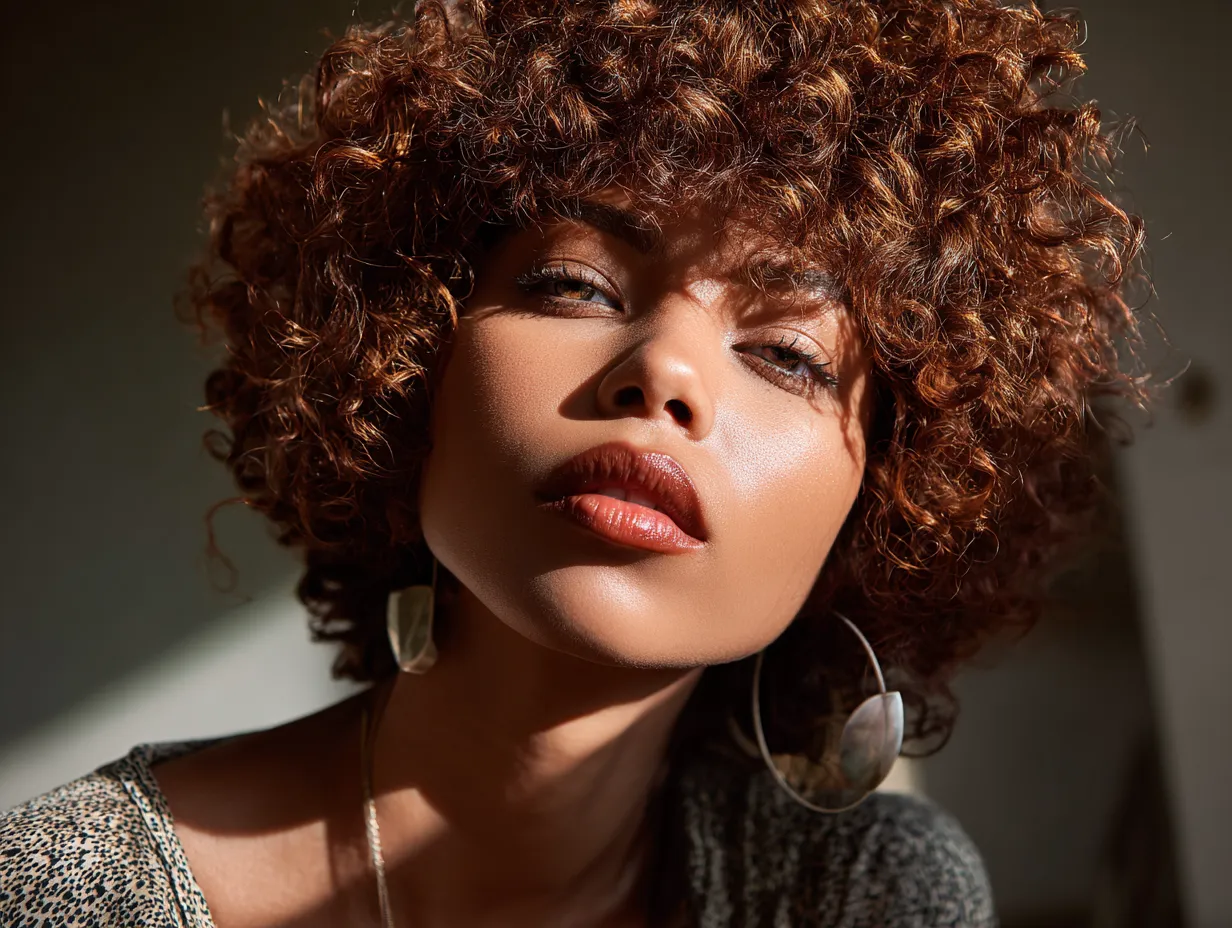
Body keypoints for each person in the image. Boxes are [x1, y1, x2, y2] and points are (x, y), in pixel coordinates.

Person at [0, 0, 1149, 925]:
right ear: (405, 366)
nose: (664, 375)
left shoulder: (859, 893)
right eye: (574, 283)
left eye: (786, 353)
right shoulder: (65, 890)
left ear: (886, 496)